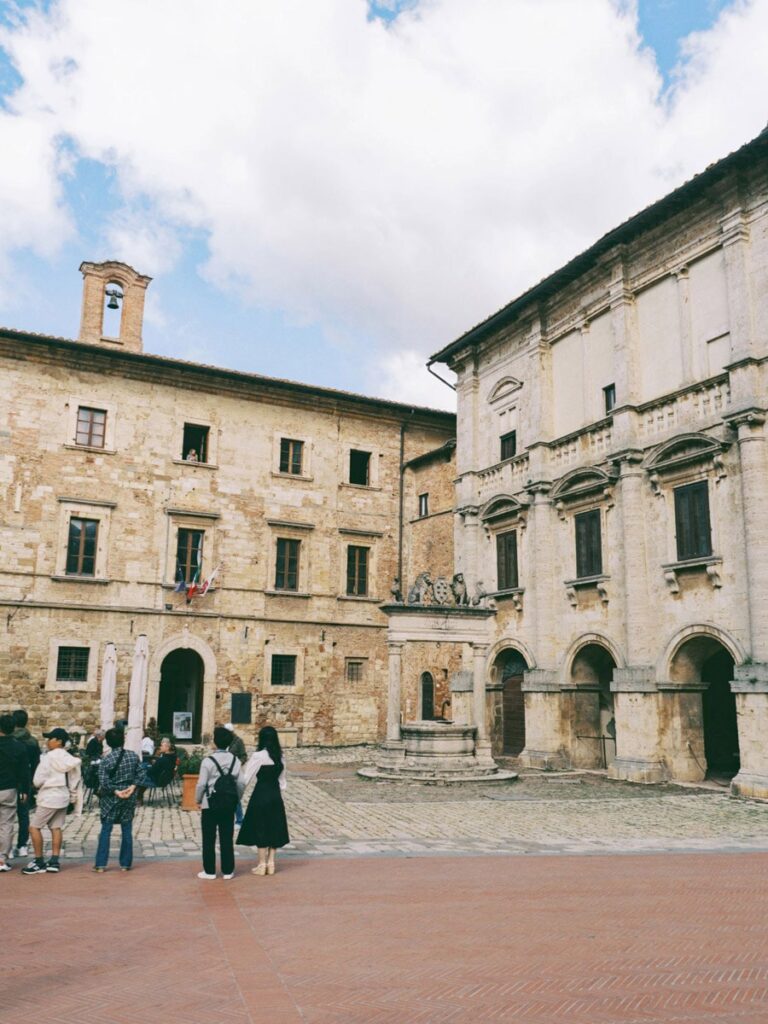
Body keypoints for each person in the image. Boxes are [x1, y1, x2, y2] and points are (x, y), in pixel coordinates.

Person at [22, 727, 82, 875]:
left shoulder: (47, 758)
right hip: (63, 795)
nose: (48, 742)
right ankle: (54, 861)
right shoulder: (70, 759)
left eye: (50, 739)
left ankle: (39, 860)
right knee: (56, 828)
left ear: (59, 741)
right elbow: (75, 779)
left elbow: (37, 780)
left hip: (49, 795)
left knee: (34, 827)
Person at [238, 725, 289, 877]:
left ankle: (261, 864)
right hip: (275, 795)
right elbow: (283, 782)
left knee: (261, 827)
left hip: (260, 794)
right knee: (274, 827)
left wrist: (238, 795)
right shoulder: (280, 756)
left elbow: (246, 779)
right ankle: (271, 863)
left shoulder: (258, 756)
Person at [195, 725, 245, 880]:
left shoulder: (207, 761)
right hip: (228, 803)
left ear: (215, 742)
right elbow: (241, 783)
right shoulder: (235, 760)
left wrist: (198, 799)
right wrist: (237, 798)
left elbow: (201, 784)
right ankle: (228, 870)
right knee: (226, 836)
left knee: (208, 837)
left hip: (210, 803)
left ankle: (209, 871)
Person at [93, 727, 143, 872]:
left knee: (106, 830)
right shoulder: (133, 756)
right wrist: (132, 787)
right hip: (129, 796)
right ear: (123, 740)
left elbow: (103, 782)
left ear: (107, 742)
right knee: (126, 829)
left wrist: (116, 791)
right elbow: (141, 774)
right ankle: (125, 864)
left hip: (111, 799)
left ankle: (101, 864)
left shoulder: (106, 760)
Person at [0, 713, 30, 872]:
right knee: (6, 824)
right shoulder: (19, 746)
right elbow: (24, 771)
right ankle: (2, 858)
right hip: (8, 788)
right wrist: (25, 790)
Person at [12, 709, 40, 859]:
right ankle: (22, 845)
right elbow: (36, 763)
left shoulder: (9, 741)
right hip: (26, 781)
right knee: (24, 815)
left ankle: (6, 847)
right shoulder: (32, 741)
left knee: (6, 817)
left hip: (8, 781)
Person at [224, 722, 247, 825]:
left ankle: (239, 819)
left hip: (234, 770)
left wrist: (238, 763)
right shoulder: (224, 741)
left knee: (235, 796)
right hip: (224, 770)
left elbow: (244, 756)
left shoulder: (238, 741)